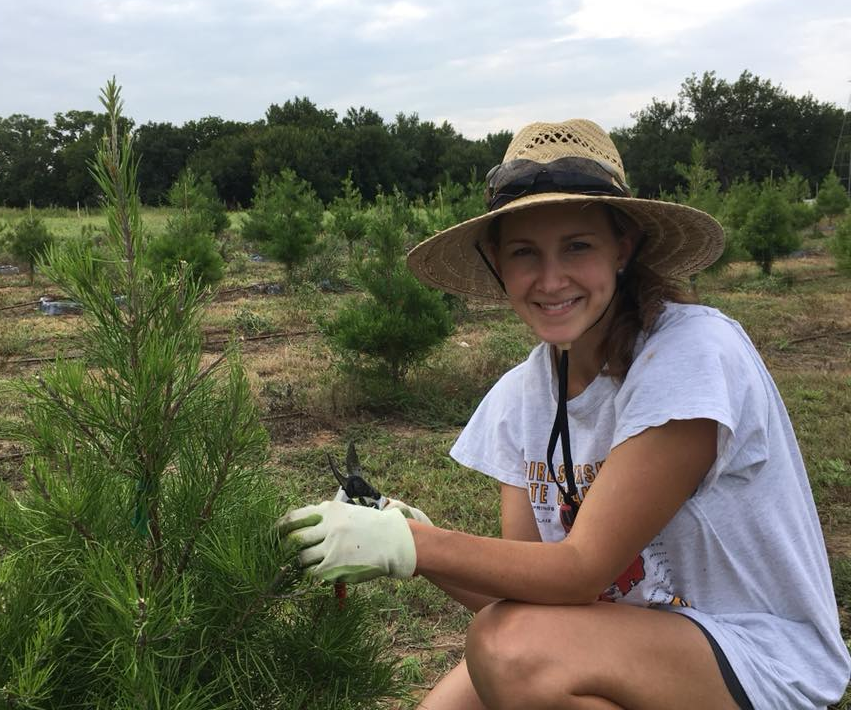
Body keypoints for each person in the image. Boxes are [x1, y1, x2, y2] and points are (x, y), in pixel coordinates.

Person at [279, 119, 851, 709]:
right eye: (525, 253)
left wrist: (414, 545)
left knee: (511, 651)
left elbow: (577, 572)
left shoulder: (691, 355)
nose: (551, 280)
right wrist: (409, 531)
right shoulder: (520, 396)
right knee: (491, 660)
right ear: (497, 263)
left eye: (577, 246)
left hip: (757, 659)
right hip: (618, 642)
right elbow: (527, 597)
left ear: (622, 248)